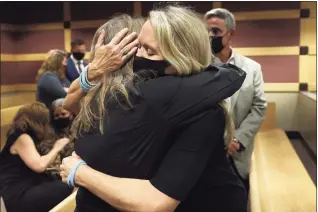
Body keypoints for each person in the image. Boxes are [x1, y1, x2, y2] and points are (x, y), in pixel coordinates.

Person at [61, 8, 247, 212]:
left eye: (148, 51)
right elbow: (71, 101)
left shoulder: (196, 108)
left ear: (180, 58)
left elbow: (155, 201)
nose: (137, 56)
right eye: (138, 47)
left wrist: (79, 172)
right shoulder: (125, 97)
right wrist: (94, 70)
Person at [204, 8, 267, 193]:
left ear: (231, 34)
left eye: (215, 31)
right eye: (206, 31)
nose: (210, 36)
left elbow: (259, 107)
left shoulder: (252, 68)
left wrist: (238, 139)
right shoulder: (199, 68)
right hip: (205, 155)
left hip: (238, 155)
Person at [0, 102, 73, 212]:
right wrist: (57, 147)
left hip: (25, 188)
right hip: (18, 194)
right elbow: (39, 166)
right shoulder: (22, 137)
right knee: (71, 187)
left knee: (68, 180)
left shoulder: (22, 136)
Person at [37, 98, 75, 179]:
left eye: (63, 114)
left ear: (71, 114)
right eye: (56, 116)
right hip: (61, 175)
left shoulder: (78, 129)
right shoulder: (49, 135)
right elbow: (53, 168)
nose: (60, 117)